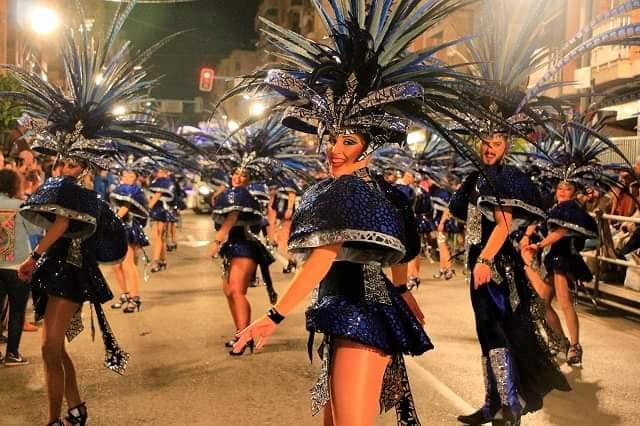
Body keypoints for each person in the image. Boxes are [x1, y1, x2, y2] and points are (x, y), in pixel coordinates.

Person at [450, 132, 571, 425]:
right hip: (480, 263)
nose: (489, 148)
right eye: (485, 142)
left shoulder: (504, 178)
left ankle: (509, 403)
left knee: (495, 331)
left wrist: (484, 260)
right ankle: (493, 403)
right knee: (485, 332)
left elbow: (503, 225)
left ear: (506, 147)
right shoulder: (476, 177)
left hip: (495, 266)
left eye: (497, 143)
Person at [0, 169, 33, 366]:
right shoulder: (20, 206)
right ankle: (12, 353)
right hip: (17, 266)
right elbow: (35, 229)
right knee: (17, 311)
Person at [110, 169, 150, 313]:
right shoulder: (120, 188)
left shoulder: (134, 190)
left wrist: (110, 222)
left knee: (128, 264)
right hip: (118, 227)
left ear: (136, 177)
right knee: (116, 265)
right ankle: (125, 295)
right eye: (125, 174)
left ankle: (134, 298)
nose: (128, 177)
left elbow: (125, 208)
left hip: (129, 228)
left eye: (131, 175)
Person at [148, 167, 175, 273]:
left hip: (160, 212)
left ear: (165, 172)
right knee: (160, 238)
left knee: (157, 237)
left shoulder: (164, 182)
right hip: (159, 211)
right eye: (157, 171)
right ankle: (163, 260)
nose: (157, 173)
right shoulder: (159, 181)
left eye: (160, 171)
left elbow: (157, 195)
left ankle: (156, 262)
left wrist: (147, 208)